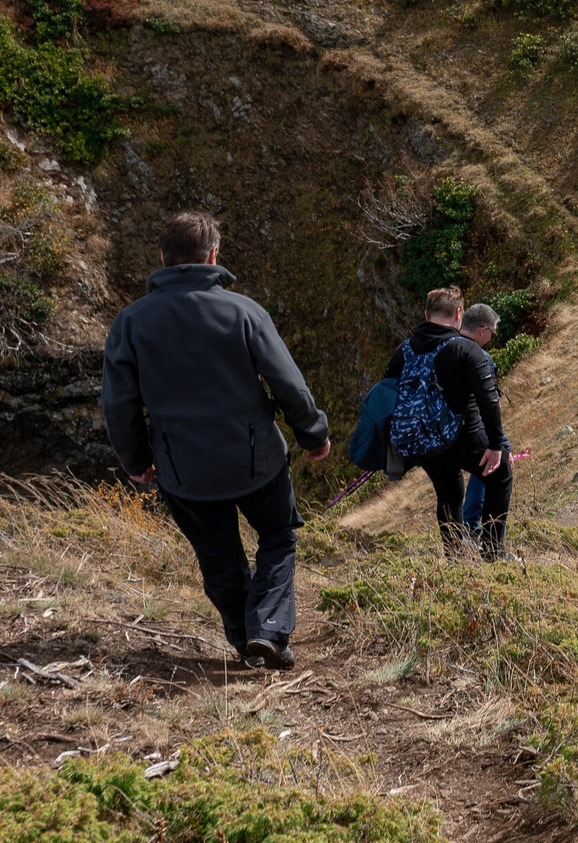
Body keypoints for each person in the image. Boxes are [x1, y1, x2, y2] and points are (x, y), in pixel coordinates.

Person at [100, 212, 329, 669]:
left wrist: (136, 459)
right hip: (255, 459)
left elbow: (118, 405)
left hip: (182, 468)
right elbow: (288, 384)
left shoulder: (130, 323)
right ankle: (267, 632)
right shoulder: (244, 311)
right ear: (213, 255)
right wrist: (312, 433)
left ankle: (249, 639)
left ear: (163, 258)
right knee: (279, 535)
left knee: (218, 554)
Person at [381, 286, 498, 563]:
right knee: (499, 474)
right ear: (459, 314)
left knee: (449, 492)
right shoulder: (464, 348)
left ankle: (455, 559)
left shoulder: (404, 350)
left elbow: (386, 392)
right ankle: (494, 553)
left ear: (425, 313)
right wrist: (496, 444)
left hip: (417, 441)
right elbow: (487, 400)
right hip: (456, 437)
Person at [456, 302, 515, 560]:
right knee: (497, 470)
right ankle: (491, 549)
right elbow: (487, 406)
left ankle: (458, 540)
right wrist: (502, 445)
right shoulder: (481, 358)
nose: (492, 338)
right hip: (469, 432)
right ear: (482, 330)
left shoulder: (444, 346)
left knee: (450, 485)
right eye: (493, 333)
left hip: (436, 435)